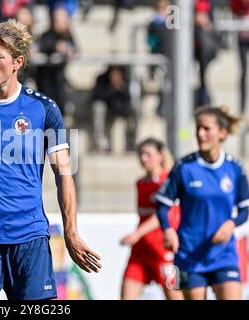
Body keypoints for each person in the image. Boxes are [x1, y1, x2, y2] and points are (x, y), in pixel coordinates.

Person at [0, 19, 101, 300]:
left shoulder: (45, 108)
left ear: (17, 62)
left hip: (30, 238)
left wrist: (71, 233)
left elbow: (64, 174)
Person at [156, 106, 249, 300]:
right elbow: (163, 204)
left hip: (224, 254)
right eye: (198, 128)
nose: (200, 133)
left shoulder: (234, 168)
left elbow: (244, 209)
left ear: (222, 133)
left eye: (206, 129)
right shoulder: (184, 167)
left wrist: (232, 223)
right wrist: (167, 229)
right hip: (188, 254)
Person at [120, 138, 183, 300]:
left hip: (164, 249)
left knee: (175, 295)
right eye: (141, 154)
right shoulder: (140, 183)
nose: (143, 158)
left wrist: (136, 234)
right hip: (140, 251)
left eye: (148, 154)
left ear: (160, 155)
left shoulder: (169, 181)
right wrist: (139, 236)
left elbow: (161, 216)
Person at [35, 5, 77, 117]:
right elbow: (43, 45)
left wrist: (69, 49)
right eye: (57, 18)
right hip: (45, 79)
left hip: (59, 79)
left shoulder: (68, 35)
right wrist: (56, 46)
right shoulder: (47, 34)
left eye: (62, 18)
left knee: (61, 109)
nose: (59, 21)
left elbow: (74, 48)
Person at [91, 65, 137, 153]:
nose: (115, 75)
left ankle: (131, 143)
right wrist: (112, 88)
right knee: (98, 107)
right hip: (106, 110)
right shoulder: (101, 80)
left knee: (134, 111)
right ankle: (100, 143)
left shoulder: (126, 81)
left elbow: (128, 100)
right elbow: (97, 96)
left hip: (120, 109)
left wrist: (121, 88)